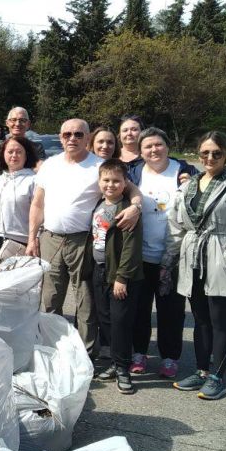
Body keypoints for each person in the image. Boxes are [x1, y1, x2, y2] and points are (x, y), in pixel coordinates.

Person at [27, 119, 142, 360]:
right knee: (50, 299)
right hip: (50, 237)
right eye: (67, 134)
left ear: (87, 137)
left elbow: (129, 188)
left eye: (78, 134)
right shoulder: (50, 165)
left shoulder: (99, 166)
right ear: (60, 137)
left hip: (83, 240)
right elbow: (37, 203)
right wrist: (31, 239)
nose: (72, 138)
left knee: (85, 301)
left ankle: (85, 354)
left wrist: (135, 207)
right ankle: (50, 351)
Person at [166, 131, 226, 401]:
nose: (210, 158)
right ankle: (202, 371)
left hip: (218, 254)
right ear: (198, 154)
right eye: (205, 153)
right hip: (193, 255)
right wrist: (173, 256)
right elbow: (176, 223)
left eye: (216, 153)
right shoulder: (188, 185)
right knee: (201, 320)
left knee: (220, 320)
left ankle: (218, 376)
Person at [126, 127, 197, 379]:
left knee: (171, 310)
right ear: (141, 150)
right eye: (148, 146)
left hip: (173, 256)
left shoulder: (183, 172)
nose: (154, 150)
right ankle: (139, 353)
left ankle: (169, 357)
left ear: (167, 146)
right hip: (141, 254)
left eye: (158, 145)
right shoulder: (134, 173)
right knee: (140, 308)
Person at [86, 159, 144, 394]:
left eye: (116, 181)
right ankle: (113, 362)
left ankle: (123, 369)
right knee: (105, 319)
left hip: (119, 274)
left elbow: (131, 247)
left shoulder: (128, 210)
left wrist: (122, 278)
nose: (111, 185)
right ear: (99, 182)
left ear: (125, 183)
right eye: (106, 180)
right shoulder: (99, 204)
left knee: (121, 322)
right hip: (99, 270)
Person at [0, 135, 39, 264]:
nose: (14, 155)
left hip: (20, 243)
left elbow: (40, 216)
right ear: (3, 154)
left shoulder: (34, 181)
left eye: (19, 152)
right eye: (10, 152)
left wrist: (35, 240)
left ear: (27, 155)